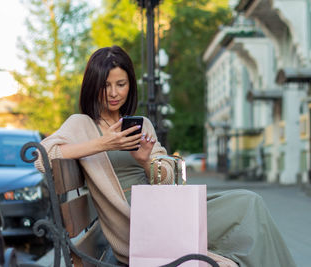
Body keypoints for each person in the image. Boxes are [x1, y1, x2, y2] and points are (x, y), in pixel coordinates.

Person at [35, 45, 296, 267]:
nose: (114, 93)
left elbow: (168, 179)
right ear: (93, 86)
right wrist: (103, 143)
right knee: (248, 211)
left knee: (250, 202)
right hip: (137, 224)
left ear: (130, 84)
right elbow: (41, 158)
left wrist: (147, 162)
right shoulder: (81, 124)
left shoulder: (142, 124)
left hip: (165, 210)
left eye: (121, 84)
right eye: (106, 85)